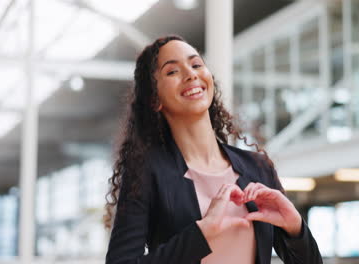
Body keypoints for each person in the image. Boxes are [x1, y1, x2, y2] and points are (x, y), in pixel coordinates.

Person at [104, 35, 322, 264]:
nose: (191, 74)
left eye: (196, 64)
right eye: (172, 71)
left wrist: (295, 227)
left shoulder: (258, 167)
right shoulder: (147, 172)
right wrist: (201, 234)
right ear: (154, 100)